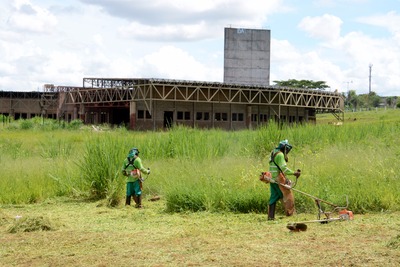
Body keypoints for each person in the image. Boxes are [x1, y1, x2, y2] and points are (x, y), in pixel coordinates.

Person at [267, 140, 301, 220]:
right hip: (278, 179)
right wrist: (294, 173)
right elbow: (284, 169)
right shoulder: (280, 155)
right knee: (287, 195)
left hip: (272, 178)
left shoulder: (274, 151)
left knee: (274, 197)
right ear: (285, 148)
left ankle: (271, 217)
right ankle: (290, 214)